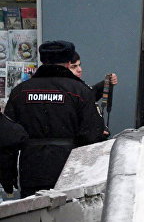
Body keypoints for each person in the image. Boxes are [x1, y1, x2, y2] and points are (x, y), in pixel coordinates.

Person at [3, 41, 105, 197]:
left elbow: (7, 137)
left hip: (32, 170)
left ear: (42, 61)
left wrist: (7, 175)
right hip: (70, 171)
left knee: (33, 216)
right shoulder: (80, 91)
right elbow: (92, 135)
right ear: (69, 62)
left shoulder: (20, 92)